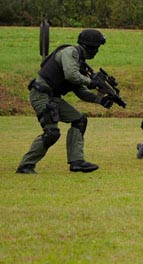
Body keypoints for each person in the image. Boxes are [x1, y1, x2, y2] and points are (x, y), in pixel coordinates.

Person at [16, 29, 112, 174]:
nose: (97, 50)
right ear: (91, 46)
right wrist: (91, 82)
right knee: (51, 132)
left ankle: (77, 162)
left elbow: (80, 91)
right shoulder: (70, 52)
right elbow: (71, 75)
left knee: (79, 120)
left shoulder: (78, 62)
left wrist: (100, 99)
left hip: (53, 97)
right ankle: (25, 165)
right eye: (97, 47)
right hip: (41, 94)